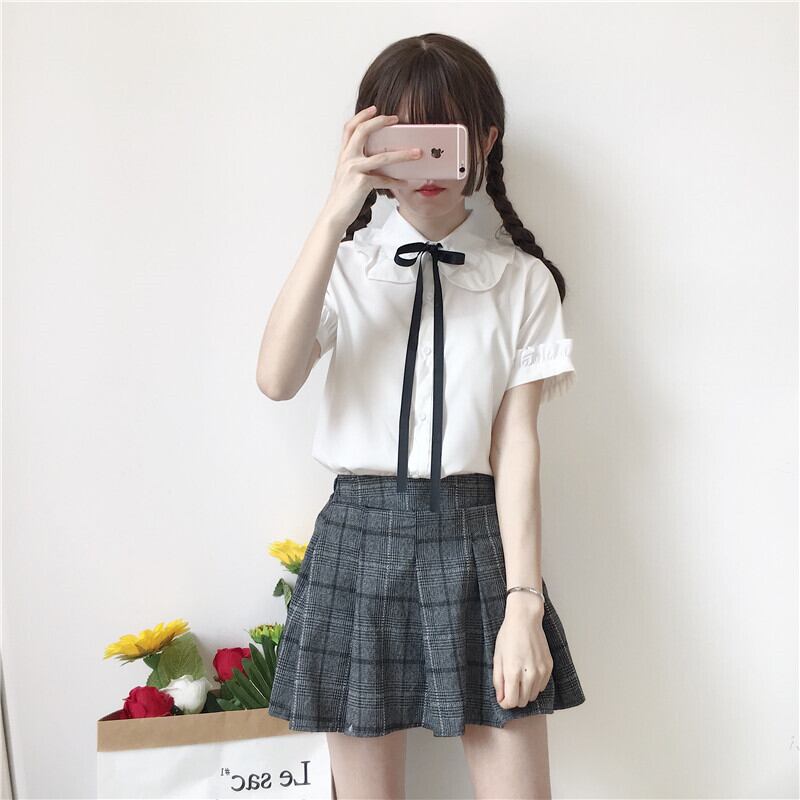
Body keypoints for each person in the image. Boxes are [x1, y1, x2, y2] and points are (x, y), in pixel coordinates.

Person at [258, 32, 585, 800]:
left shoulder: (522, 282)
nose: (424, 163)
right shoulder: (344, 266)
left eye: (443, 137)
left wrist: (524, 604)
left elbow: (517, 448)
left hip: (477, 542)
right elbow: (275, 379)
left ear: (484, 142)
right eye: (402, 140)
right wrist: (335, 213)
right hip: (357, 543)